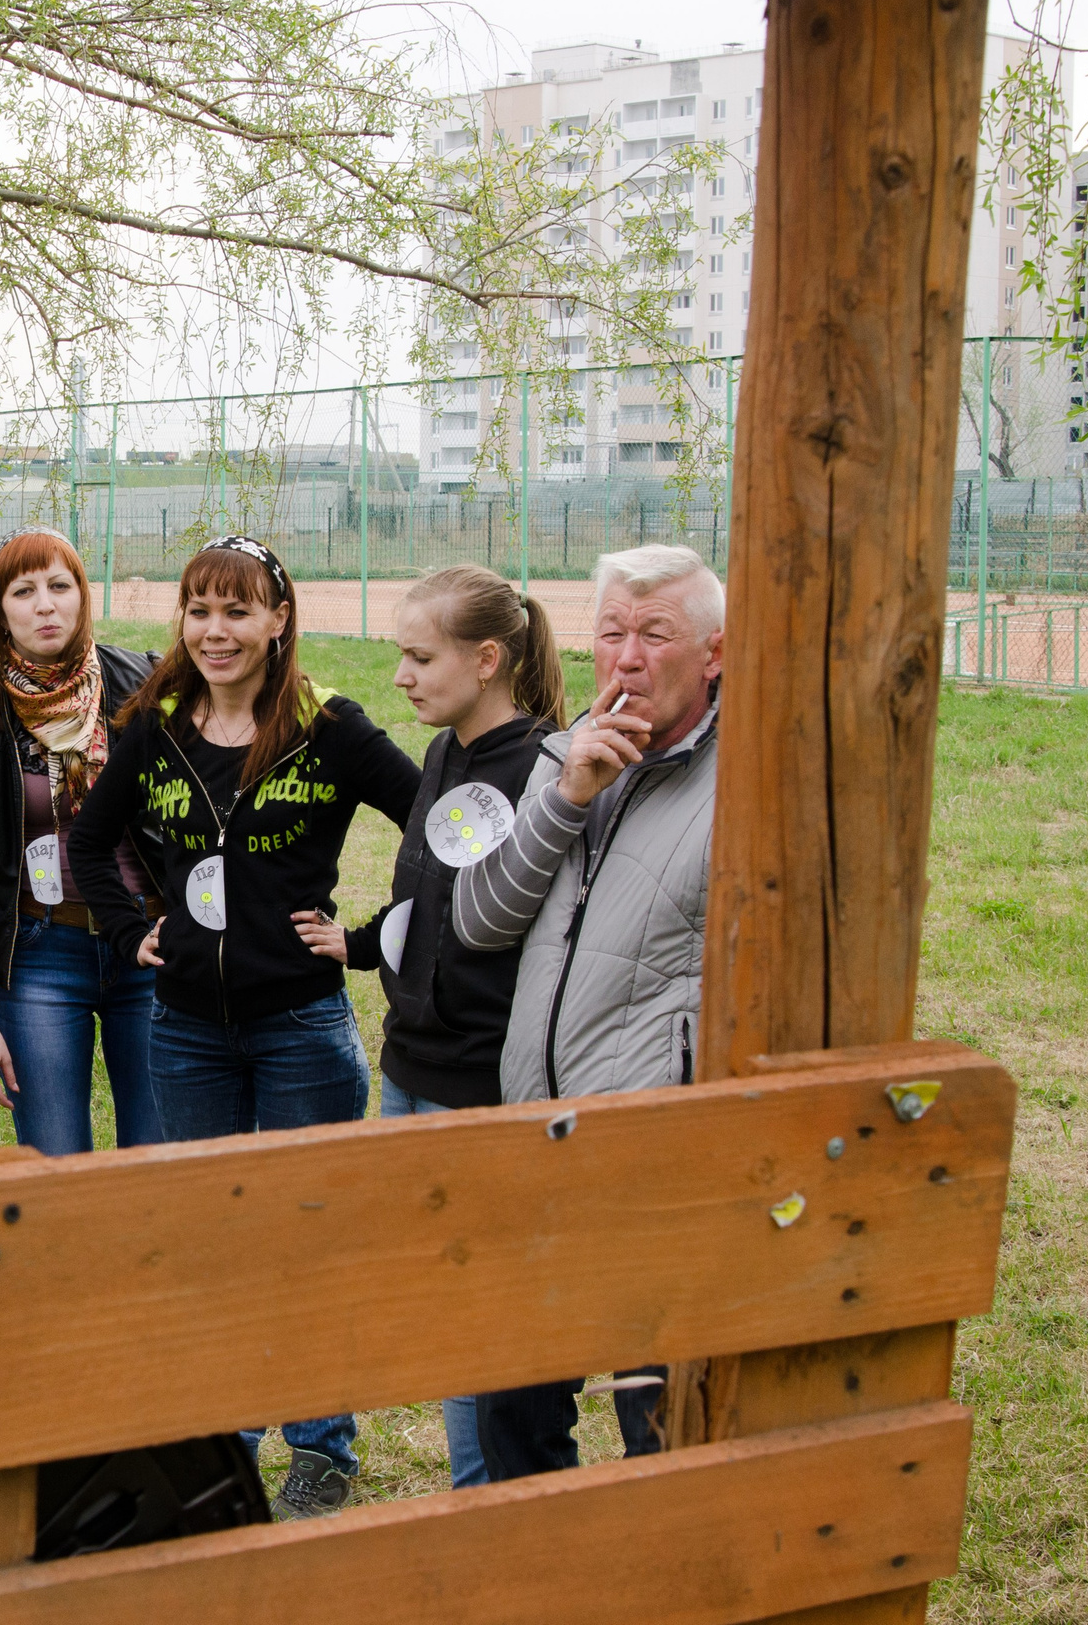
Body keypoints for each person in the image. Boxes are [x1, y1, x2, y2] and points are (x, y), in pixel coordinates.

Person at [67, 534, 422, 1519]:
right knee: (214, 1240)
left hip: (299, 1028)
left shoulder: (330, 727)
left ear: (277, 620)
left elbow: (436, 824)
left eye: (236, 610)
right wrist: (136, 927)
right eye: (198, 609)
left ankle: (319, 1446)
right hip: (183, 1032)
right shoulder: (152, 726)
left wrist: (358, 944)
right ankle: (223, 1435)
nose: (214, 630)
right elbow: (89, 845)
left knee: (301, 1235)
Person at [449, 542, 725, 1481]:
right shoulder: (563, 757)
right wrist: (567, 797)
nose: (629, 658)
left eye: (657, 634)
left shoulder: (743, 782)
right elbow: (479, 918)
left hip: (658, 1156)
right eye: (612, 633)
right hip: (539, 1134)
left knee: (660, 1420)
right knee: (514, 1409)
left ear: (715, 654)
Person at [298, 563, 566, 1491]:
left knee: (473, 1317)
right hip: (407, 1063)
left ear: (487, 658)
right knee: (425, 1294)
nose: (403, 677)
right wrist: (362, 944)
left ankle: (482, 1505)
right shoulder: (448, 753)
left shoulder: (546, 771)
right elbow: (430, 892)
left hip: (479, 1082)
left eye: (421, 657)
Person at [0, 528, 164, 1155]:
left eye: (60, 586)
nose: (45, 605)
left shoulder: (144, 685)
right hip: (41, 954)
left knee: (159, 1159)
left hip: (150, 946)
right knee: (55, 1165)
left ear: (82, 597)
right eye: (24, 590)